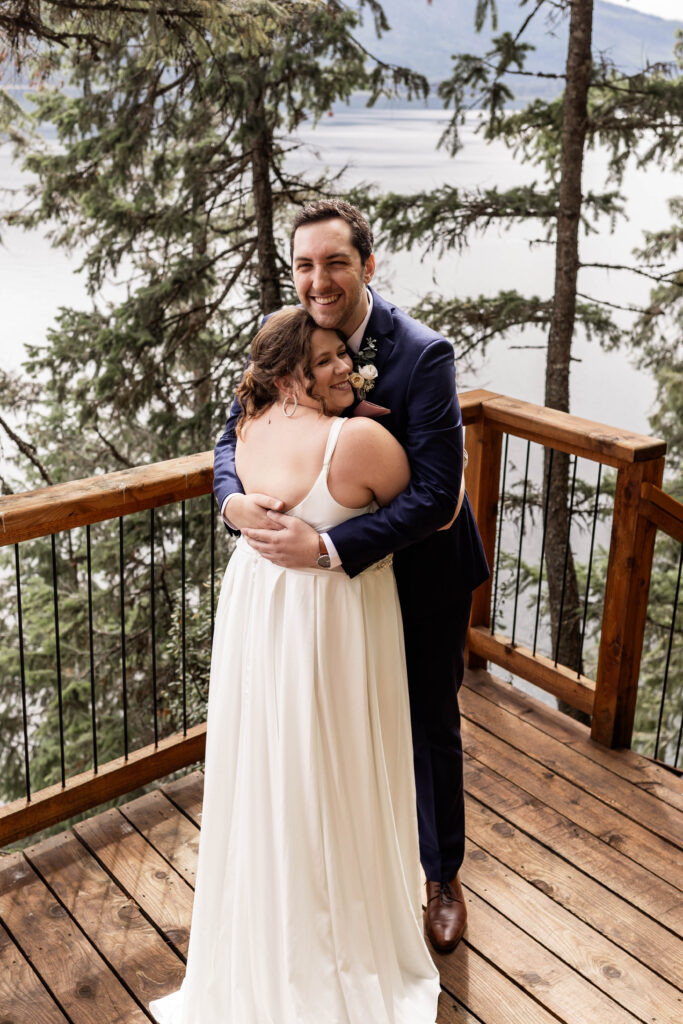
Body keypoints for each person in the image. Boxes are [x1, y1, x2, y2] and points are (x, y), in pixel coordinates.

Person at [150, 307, 441, 1023]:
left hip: (261, 608)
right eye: (328, 362)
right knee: (340, 764)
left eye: (346, 355)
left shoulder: (250, 426)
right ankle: (344, 940)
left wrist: (236, 506)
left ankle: (271, 937)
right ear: (289, 376)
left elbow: (224, 457)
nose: (348, 367)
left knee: (275, 767)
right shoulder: (359, 441)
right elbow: (435, 502)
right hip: (331, 616)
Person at [213, 199, 489, 954]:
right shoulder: (291, 335)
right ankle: (347, 869)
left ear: (367, 265)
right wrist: (233, 501)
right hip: (334, 596)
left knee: (427, 721)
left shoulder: (422, 354)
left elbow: (436, 494)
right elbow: (230, 427)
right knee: (338, 720)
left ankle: (440, 878)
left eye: (334, 262)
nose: (317, 279)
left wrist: (328, 550)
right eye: (304, 264)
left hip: (421, 573)